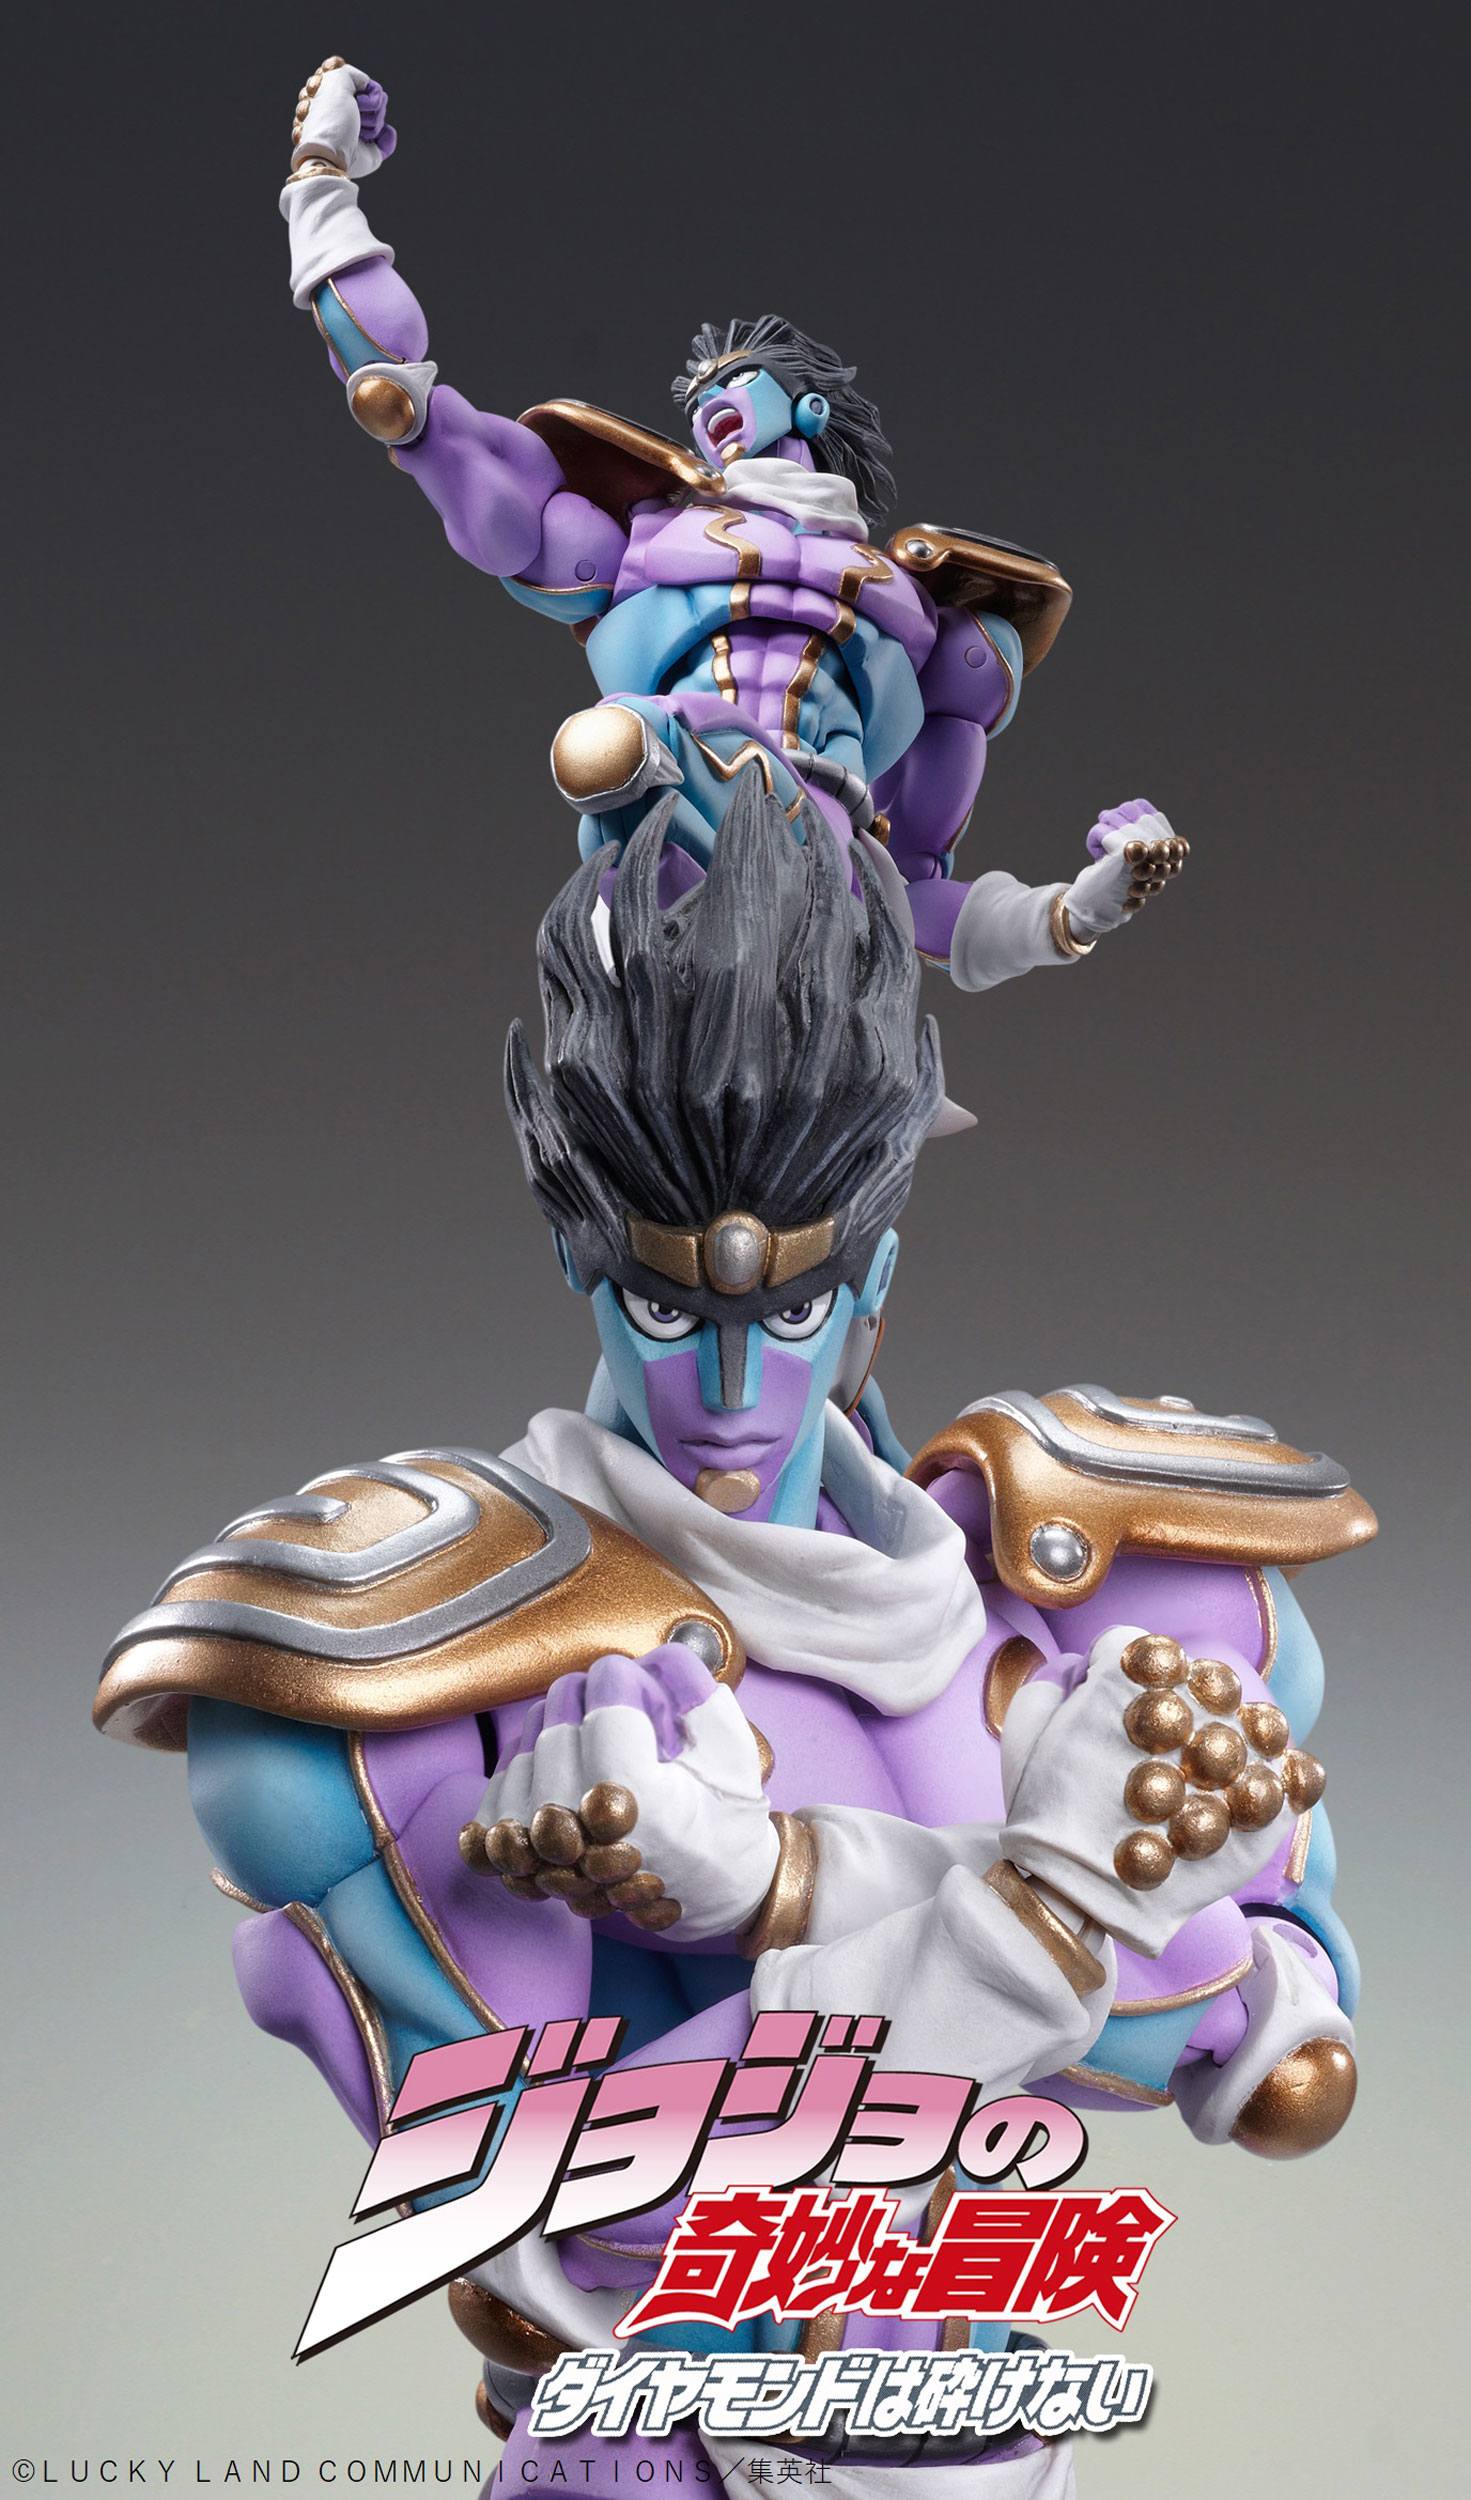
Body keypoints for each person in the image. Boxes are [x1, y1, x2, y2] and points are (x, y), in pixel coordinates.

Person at [96, 781, 1370, 2494]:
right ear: (583, 1264)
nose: (728, 1386)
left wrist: (781, 1887)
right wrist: (1042, 1910)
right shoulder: (458, 1660)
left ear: (873, 1287)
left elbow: (1270, 2063)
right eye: (666, 1303)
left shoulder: (1048, 1594)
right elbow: (553, 2209)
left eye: (792, 1309)